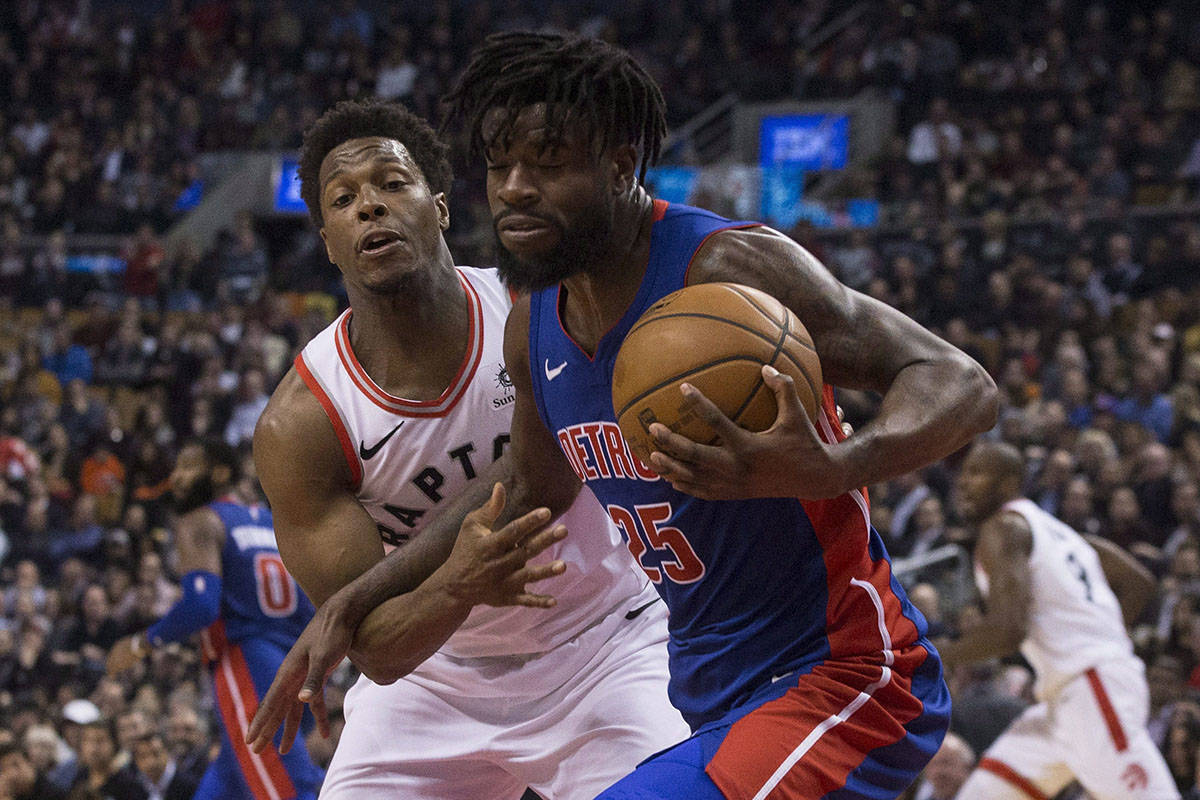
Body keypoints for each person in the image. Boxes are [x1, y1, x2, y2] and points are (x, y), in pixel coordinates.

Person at [256, 33, 998, 800]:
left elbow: (960, 382)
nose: (514, 188)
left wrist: (839, 464)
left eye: (547, 163)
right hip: (712, 693)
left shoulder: (724, 269)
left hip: (839, 677)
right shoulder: (537, 321)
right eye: (501, 162)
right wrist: (356, 599)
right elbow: (525, 484)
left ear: (618, 164)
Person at [246, 99, 687, 798]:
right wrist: (458, 585)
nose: (370, 207)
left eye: (393, 184)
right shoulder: (302, 422)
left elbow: (551, 477)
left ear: (440, 207)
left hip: (605, 646)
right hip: (434, 685)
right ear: (327, 241)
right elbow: (379, 652)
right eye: (344, 198)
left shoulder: (538, 309)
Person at [941, 441, 1178, 799]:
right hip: (1066, 697)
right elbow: (1138, 583)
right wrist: (1105, 637)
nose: (962, 483)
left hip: (1090, 686)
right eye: (963, 473)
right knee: (986, 792)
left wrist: (942, 652)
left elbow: (1008, 631)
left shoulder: (1004, 527)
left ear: (1007, 484)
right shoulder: (1061, 532)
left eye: (976, 472)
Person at [106, 438, 324, 800]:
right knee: (225, 785)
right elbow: (310, 605)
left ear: (220, 472)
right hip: (297, 662)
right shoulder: (273, 524)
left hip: (247, 662)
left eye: (189, 466)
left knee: (291, 792)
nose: (176, 476)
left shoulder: (199, 520)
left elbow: (201, 606)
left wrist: (136, 645)